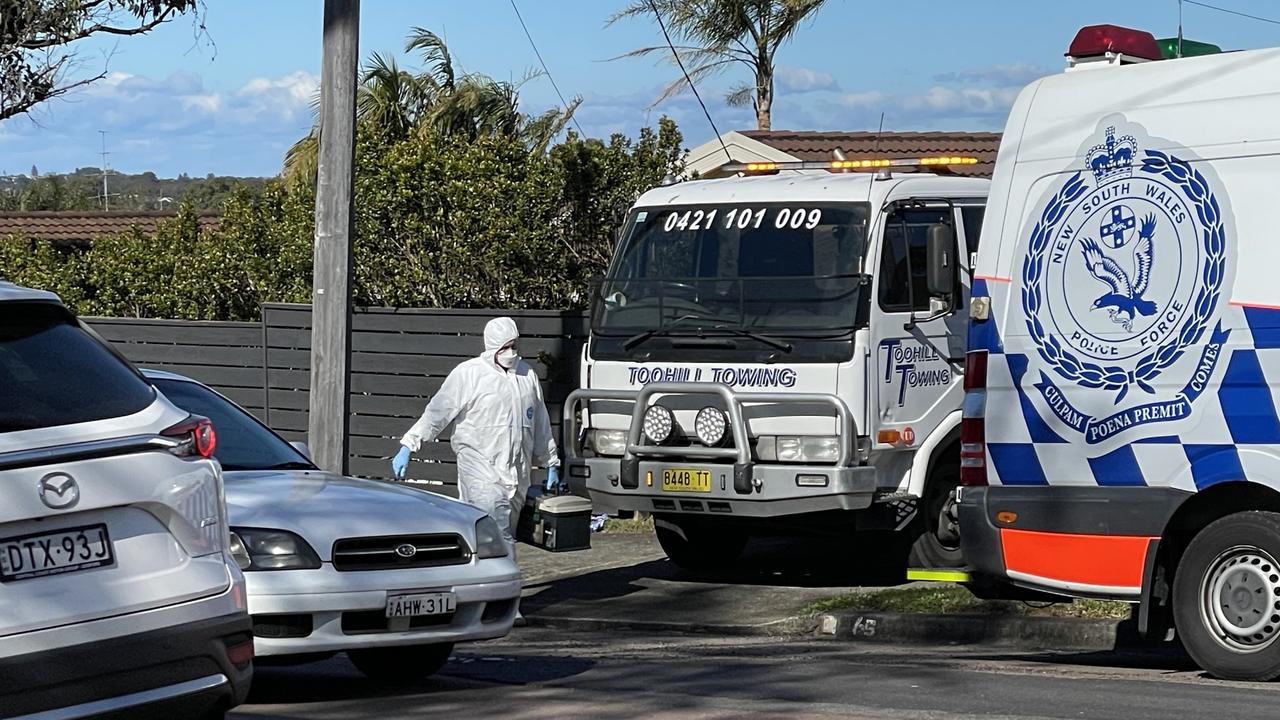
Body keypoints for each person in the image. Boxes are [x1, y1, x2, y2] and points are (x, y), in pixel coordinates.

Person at [392, 317, 560, 557]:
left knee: (494, 534)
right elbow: (438, 413)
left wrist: (550, 462)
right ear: (492, 346)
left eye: (514, 345)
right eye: (505, 346)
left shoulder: (526, 376)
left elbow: (539, 422)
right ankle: (505, 586)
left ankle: (478, 583)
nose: (511, 352)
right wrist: (409, 444)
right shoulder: (469, 374)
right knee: (497, 532)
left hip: (517, 472)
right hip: (480, 467)